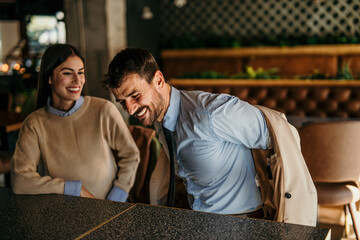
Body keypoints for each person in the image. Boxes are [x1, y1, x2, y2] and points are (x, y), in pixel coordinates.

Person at [103, 48, 270, 216]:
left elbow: (278, 136)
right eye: (122, 102)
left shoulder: (211, 112)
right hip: (199, 220)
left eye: (135, 96)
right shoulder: (160, 119)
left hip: (243, 222)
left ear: (159, 80)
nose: (130, 110)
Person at [11, 44, 140, 202]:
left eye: (81, 73)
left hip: (109, 206)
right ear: (49, 77)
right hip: (62, 212)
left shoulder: (103, 110)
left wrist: (116, 198)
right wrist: (72, 189)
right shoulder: (34, 123)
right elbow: (20, 181)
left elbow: (131, 155)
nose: (77, 80)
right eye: (67, 73)